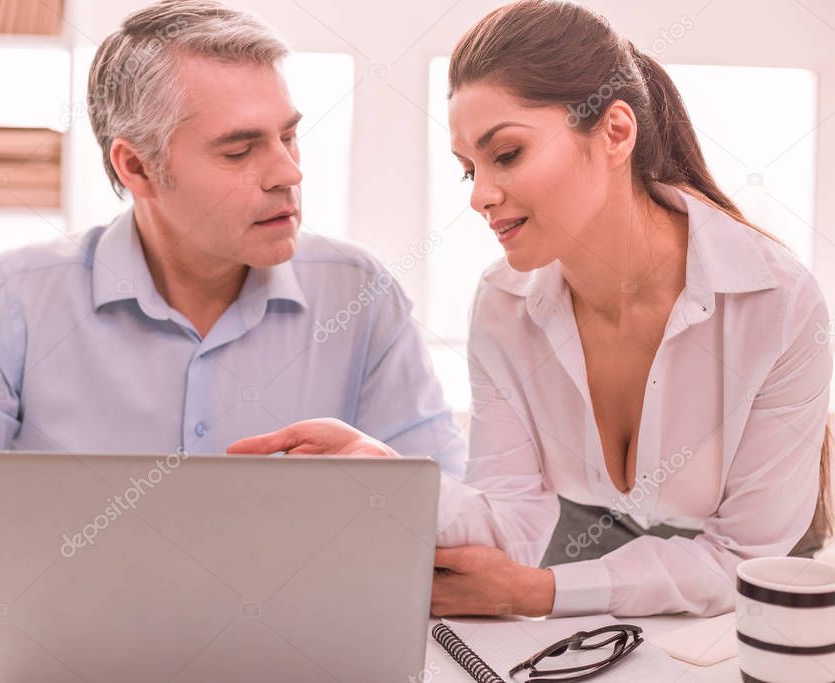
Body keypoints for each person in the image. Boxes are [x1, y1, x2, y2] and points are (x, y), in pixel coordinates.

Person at [0, 0, 464, 633]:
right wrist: (60, 588)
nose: (288, 173)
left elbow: (454, 524)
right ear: (135, 166)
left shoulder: (360, 296)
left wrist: (390, 495)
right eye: (240, 151)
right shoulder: (16, 298)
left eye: (289, 134)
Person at [228, 0, 833, 619]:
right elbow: (514, 517)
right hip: (602, 575)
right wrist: (387, 476)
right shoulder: (503, 305)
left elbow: (742, 557)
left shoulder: (774, 301)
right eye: (469, 171)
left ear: (616, 133)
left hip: (761, 606)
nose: (482, 196)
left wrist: (541, 592)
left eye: (507, 154)